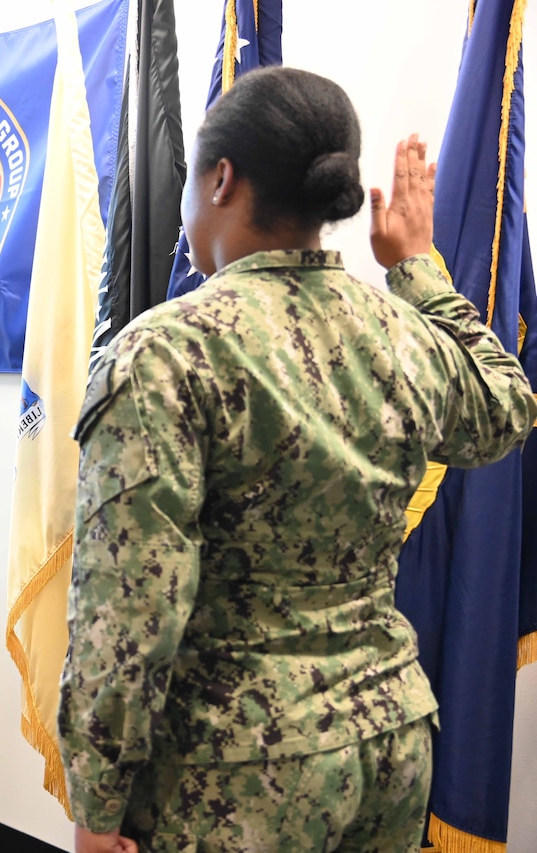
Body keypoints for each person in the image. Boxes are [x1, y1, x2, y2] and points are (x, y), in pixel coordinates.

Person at [59, 67, 537, 853]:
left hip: (235, 772)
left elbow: (129, 613)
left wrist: (97, 801)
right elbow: (506, 405)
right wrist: (415, 266)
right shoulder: (401, 330)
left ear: (220, 180)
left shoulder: (166, 352)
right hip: (389, 742)